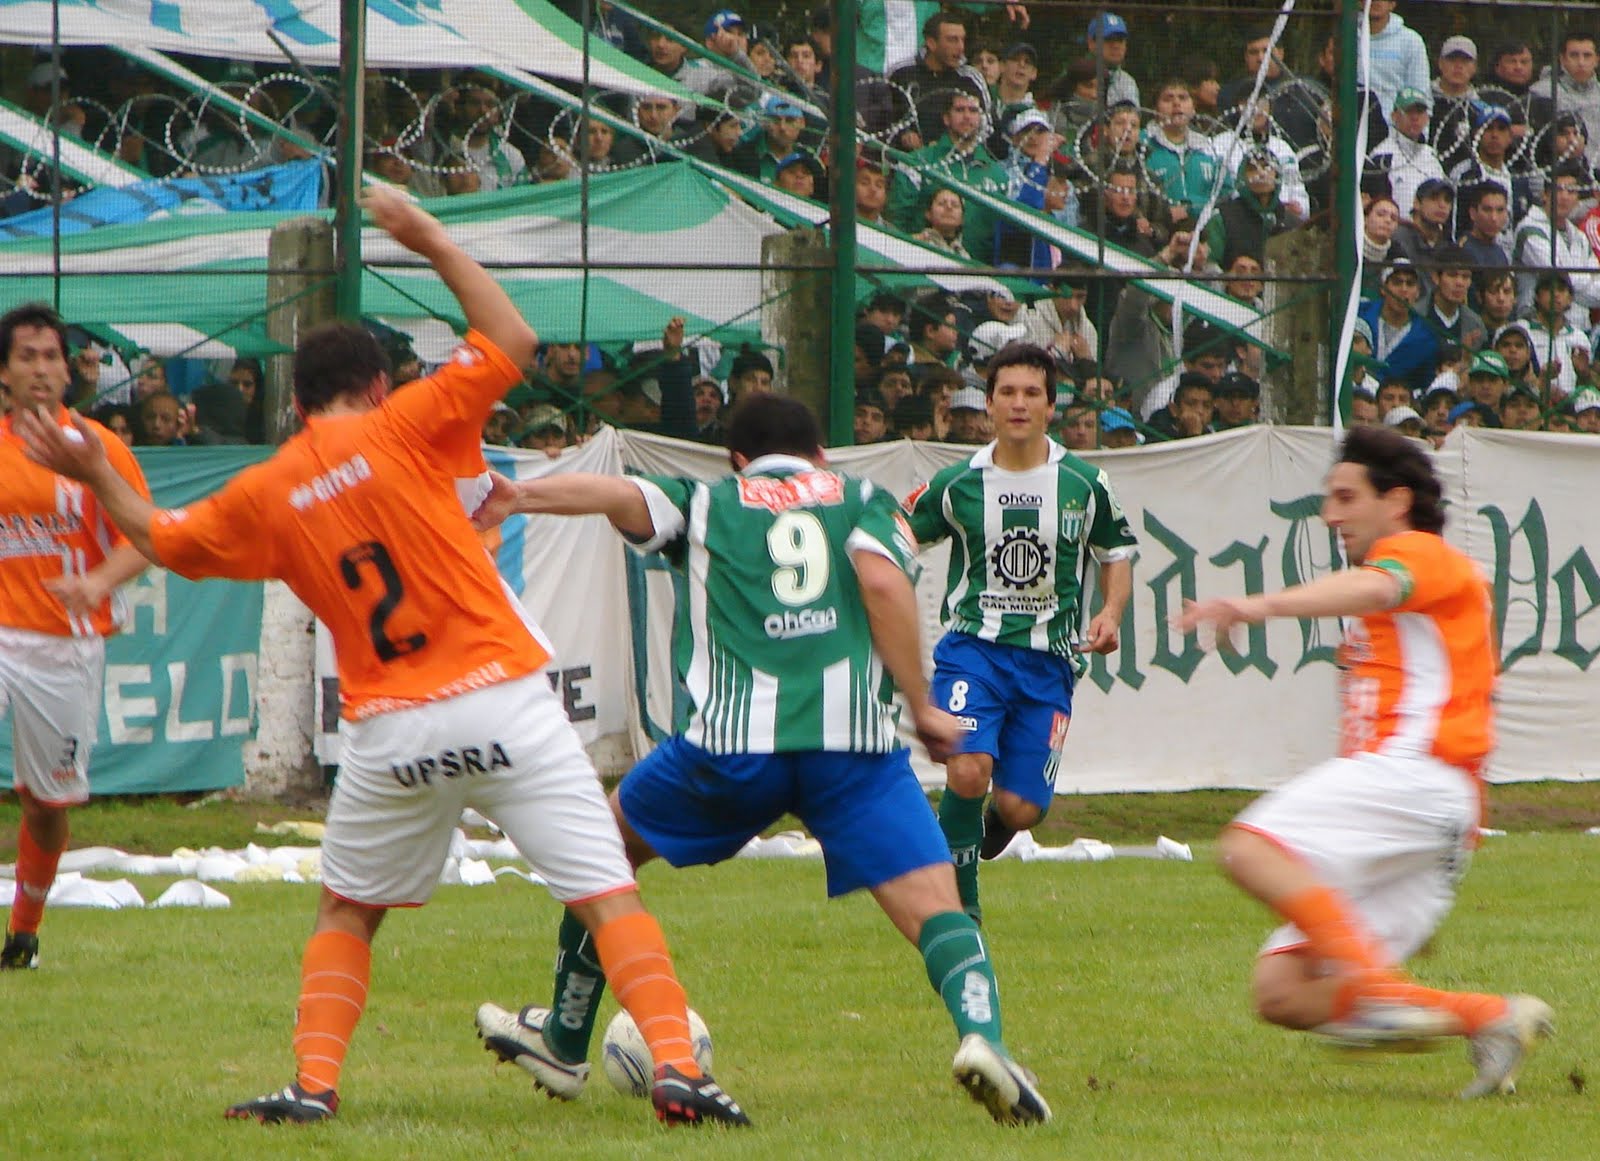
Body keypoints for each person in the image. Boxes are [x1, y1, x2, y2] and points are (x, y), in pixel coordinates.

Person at [15, 189, 749, 1129]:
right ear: (374, 384)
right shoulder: (407, 424)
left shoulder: (270, 486)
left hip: (390, 728)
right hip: (502, 699)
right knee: (606, 890)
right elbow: (515, 342)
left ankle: (313, 1084)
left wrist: (94, 472)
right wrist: (430, 236)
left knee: (347, 911)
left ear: (297, 399)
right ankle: (679, 1068)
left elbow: (158, 538)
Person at [467, 393, 1051, 1126]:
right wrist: (922, 701)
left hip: (728, 750)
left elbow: (615, 494)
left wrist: (522, 494)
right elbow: (879, 578)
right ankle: (983, 1039)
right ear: (820, 454)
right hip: (853, 750)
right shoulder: (865, 499)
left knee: (599, 855)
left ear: (737, 459)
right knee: (939, 908)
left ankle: (563, 1036)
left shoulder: (709, 499)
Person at [1175, 425, 1554, 1100]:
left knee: (1245, 847)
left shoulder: (1421, 554)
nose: (1330, 514)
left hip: (1416, 776)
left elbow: (1380, 589)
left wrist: (1256, 605)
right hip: (1432, 814)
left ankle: (1378, 995)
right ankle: (1492, 1017)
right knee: (1282, 993)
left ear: (1398, 501)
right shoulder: (1411, 584)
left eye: (1346, 496)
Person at [904, 343, 1137, 924]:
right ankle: (959, 908)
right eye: (1006, 392)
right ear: (987, 405)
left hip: (1048, 663)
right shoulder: (958, 483)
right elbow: (903, 533)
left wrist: (1110, 613)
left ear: (1051, 406)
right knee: (965, 767)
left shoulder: (1085, 483)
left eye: (1032, 392)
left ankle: (991, 823)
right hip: (972, 653)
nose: (1018, 403)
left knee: (1023, 807)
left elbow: (1116, 552)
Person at [0, 304, 153, 972]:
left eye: (51, 356)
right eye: (27, 355)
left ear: (68, 370)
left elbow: (147, 535)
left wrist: (97, 583)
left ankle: (25, 928)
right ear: (4, 371)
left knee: (46, 803)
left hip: (64, 646)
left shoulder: (98, 449)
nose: (41, 367)